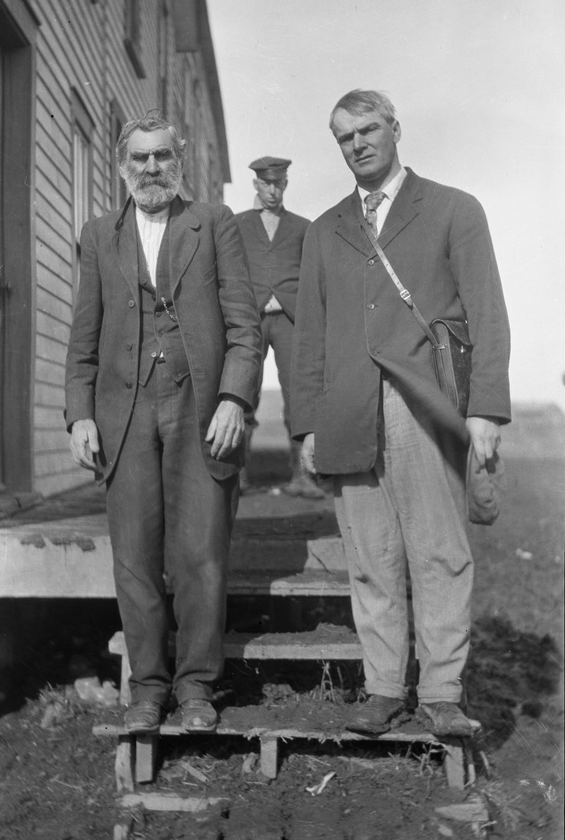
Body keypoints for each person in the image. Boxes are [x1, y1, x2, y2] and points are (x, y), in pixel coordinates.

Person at [291, 90, 510, 736]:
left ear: (395, 129)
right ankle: (384, 689)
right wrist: (304, 423)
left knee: (439, 551)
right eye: (344, 137)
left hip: (425, 405)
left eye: (368, 130)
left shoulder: (451, 209)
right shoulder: (326, 228)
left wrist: (486, 411)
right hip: (348, 410)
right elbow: (310, 335)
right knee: (370, 556)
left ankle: (442, 693)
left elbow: (487, 314)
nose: (357, 144)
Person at [65, 112, 262, 735]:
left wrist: (235, 398)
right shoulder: (99, 235)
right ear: (122, 166)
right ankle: (148, 688)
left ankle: (198, 686)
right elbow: (83, 342)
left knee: (201, 552)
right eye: (140, 159)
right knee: (135, 557)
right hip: (122, 414)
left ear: (180, 163)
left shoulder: (213, 225)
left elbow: (245, 329)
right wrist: (78, 416)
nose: (152, 169)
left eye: (162, 157)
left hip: (200, 409)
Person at [235, 156, 323, 498]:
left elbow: (314, 277)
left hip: (290, 320)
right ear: (256, 184)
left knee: (300, 395)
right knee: (242, 394)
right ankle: (237, 476)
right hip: (251, 320)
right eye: (266, 183)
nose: (273, 190)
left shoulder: (304, 227)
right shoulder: (237, 224)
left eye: (279, 183)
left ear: (286, 184)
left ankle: (303, 475)